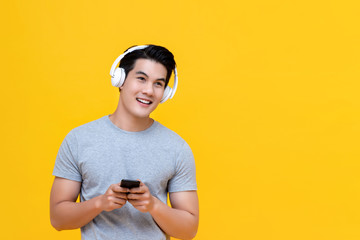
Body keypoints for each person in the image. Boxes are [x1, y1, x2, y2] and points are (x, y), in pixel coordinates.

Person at [50, 45, 199, 240]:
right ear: (119, 79)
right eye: (141, 79)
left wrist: (153, 205)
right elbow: (58, 219)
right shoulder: (78, 140)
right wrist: (100, 203)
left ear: (165, 92)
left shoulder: (177, 149)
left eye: (158, 84)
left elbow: (189, 231)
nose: (148, 91)